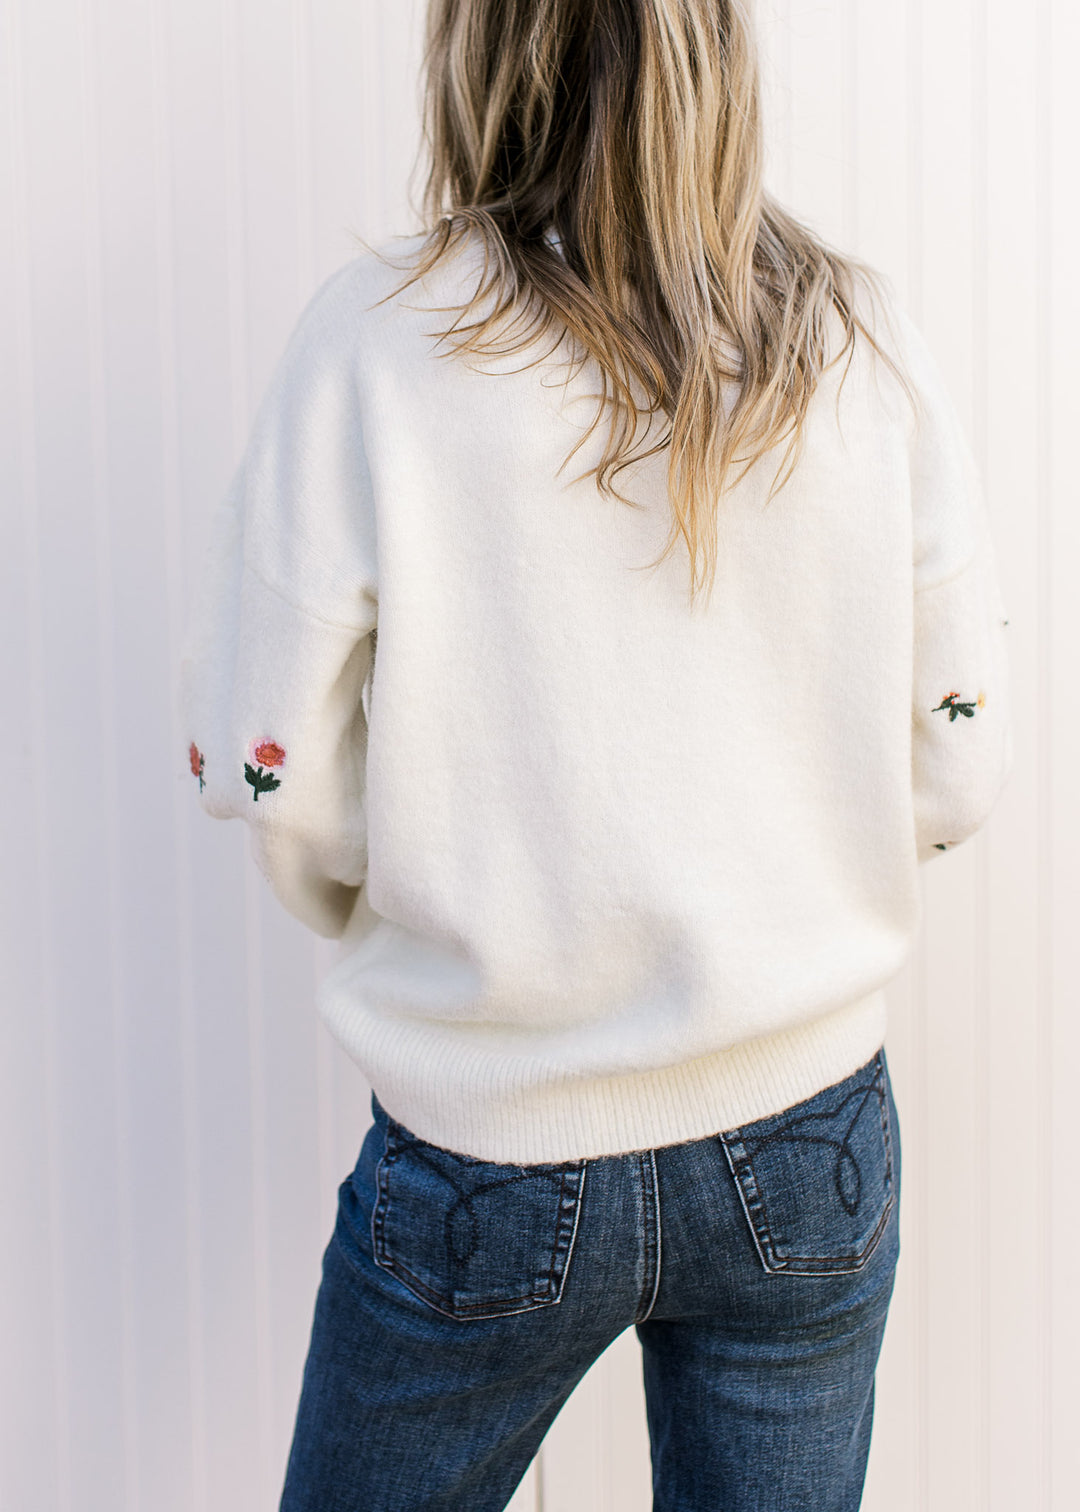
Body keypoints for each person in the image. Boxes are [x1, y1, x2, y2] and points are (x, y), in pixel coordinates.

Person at [177, 2, 1013, 1508]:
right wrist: (803, 868)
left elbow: (265, 766)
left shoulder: (379, 343)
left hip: (489, 1147)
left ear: (481, 53)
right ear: (720, 55)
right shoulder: (860, 337)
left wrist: (428, 892)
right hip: (808, 1137)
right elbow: (964, 755)